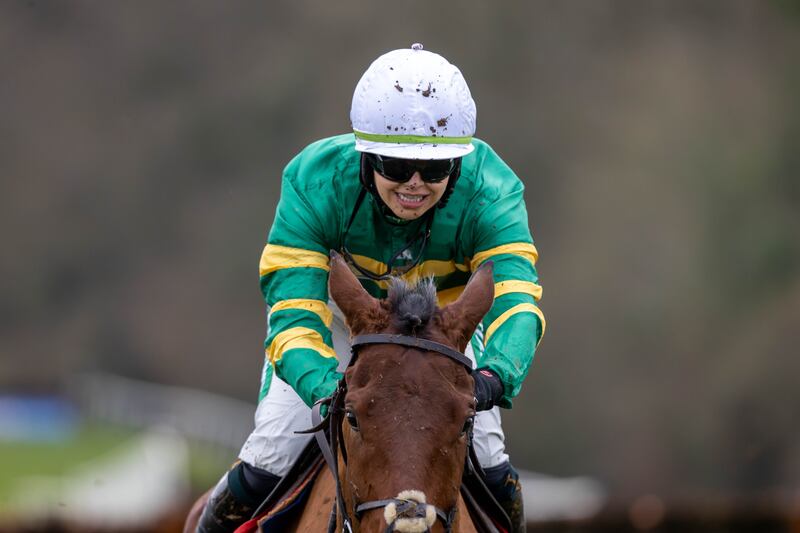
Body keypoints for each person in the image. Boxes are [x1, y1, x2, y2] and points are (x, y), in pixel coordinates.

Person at [196, 43, 545, 533]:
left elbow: (517, 301)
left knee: (492, 464)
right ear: (366, 153)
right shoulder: (314, 182)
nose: (416, 185)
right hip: (342, 327)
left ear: (459, 165)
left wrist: (495, 377)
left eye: (437, 169)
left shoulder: (493, 191)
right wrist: (326, 387)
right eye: (398, 168)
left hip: (446, 332)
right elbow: (293, 310)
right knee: (268, 455)